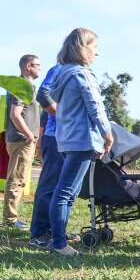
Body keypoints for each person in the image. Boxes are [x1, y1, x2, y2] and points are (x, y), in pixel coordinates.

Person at [49, 28, 113, 255]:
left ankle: (60, 239)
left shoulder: (63, 74)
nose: (97, 52)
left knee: (68, 193)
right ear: (83, 47)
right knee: (65, 193)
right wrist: (107, 133)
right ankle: (58, 244)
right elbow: (95, 106)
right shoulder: (82, 74)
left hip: (67, 139)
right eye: (94, 47)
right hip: (82, 139)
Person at [2, 54, 41, 230]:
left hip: (21, 138)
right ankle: (10, 220)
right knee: (16, 179)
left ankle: (11, 217)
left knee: (19, 179)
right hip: (21, 139)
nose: (40, 68)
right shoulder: (23, 85)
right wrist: (29, 135)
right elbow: (15, 114)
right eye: (36, 65)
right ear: (27, 67)